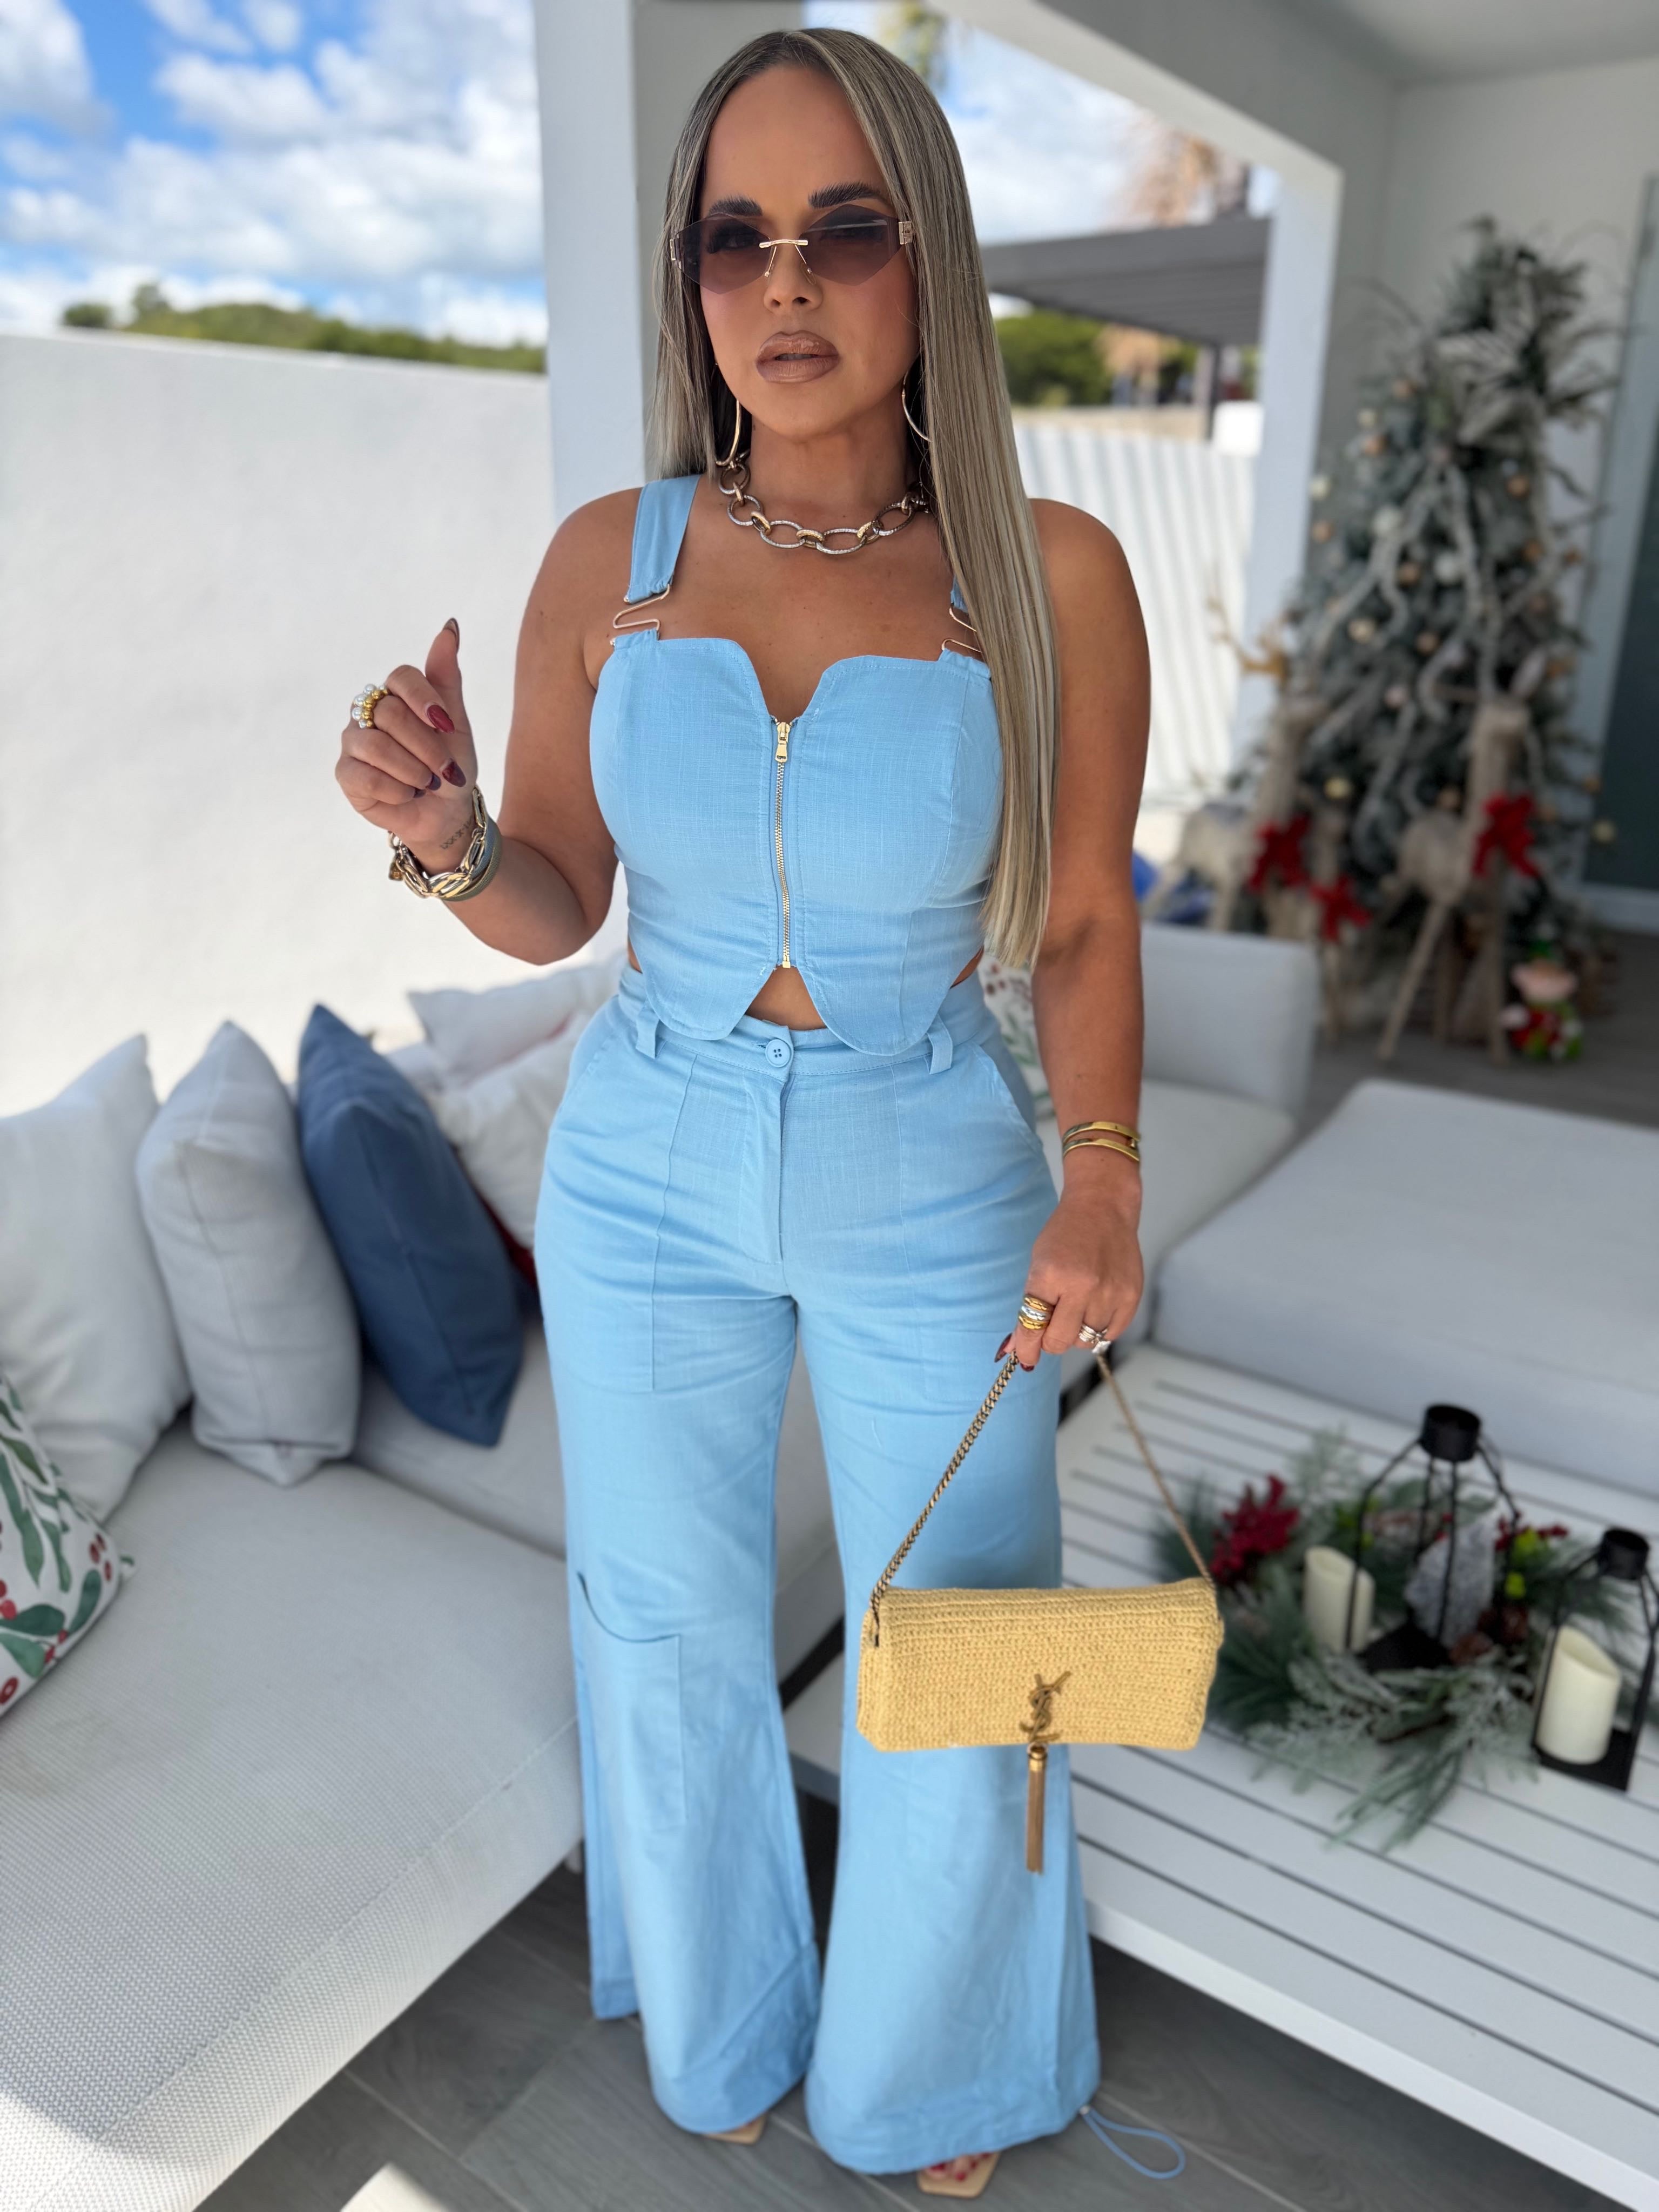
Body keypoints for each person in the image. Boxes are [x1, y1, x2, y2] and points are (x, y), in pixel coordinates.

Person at [334, 26, 1149, 2200]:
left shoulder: (1050, 575)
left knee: (965, 1630)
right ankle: (723, 2025)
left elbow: (1082, 918)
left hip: (929, 1152)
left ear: (927, 260)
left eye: (845, 230)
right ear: (691, 277)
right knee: (665, 1617)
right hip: (650, 1154)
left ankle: (939, 2065)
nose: (785, 284)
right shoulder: (608, 558)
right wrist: (444, 836)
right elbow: (556, 896)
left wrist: (1104, 1175)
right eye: (736, 237)